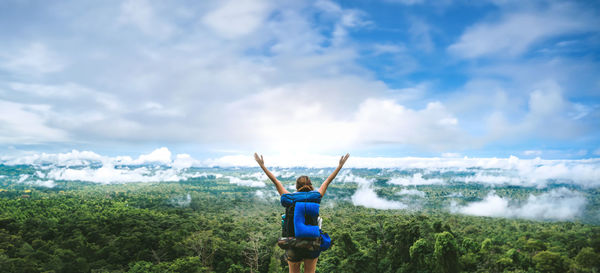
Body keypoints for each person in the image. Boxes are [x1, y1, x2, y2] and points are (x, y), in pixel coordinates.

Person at [254, 153, 350, 273]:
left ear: (296, 186)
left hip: (292, 243)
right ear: (310, 185)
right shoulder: (316, 197)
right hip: (312, 243)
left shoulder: (289, 198)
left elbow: (275, 181)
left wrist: (262, 166)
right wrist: (340, 166)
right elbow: (328, 181)